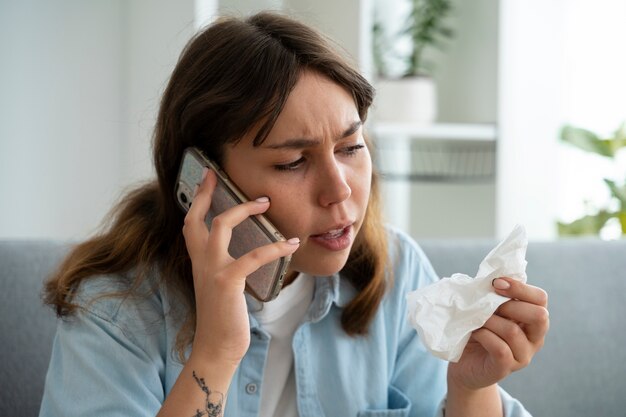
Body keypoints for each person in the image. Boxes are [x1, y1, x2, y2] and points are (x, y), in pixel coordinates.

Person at [39, 11, 549, 417]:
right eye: (292, 162)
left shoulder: (393, 272)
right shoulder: (115, 310)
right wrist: (216, 354)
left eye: (351, 147)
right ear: (205, 181)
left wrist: (469, 389)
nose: (339, 189)